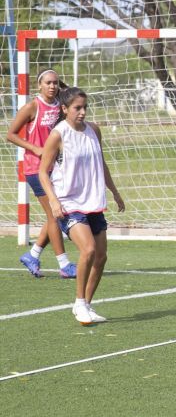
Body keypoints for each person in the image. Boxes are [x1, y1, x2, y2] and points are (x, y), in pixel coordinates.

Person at [39, 87, 126, 325]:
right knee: (87, 250)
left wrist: (115, 193)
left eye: (85, 107)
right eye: (77, 108)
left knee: (101, 256)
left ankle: (87, 304)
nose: (82, 112)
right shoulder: (58, 134)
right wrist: (54, 201)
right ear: (65, 109)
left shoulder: (94, 131)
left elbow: (102, 163)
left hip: (93, 201)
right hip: (69, 202)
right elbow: (42, 173)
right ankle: (78, 303)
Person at [6, 69, 77, 278]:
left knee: (56, 213)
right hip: (35, 169)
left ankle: (33, 254)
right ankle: (64, 264)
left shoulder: (60, 107)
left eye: (55, 82)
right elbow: (10, 135)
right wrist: (35, 148)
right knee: (55, 214)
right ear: (40, 85)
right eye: (48, 83)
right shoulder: (32, 107)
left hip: (55, 168)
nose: (52, 86)